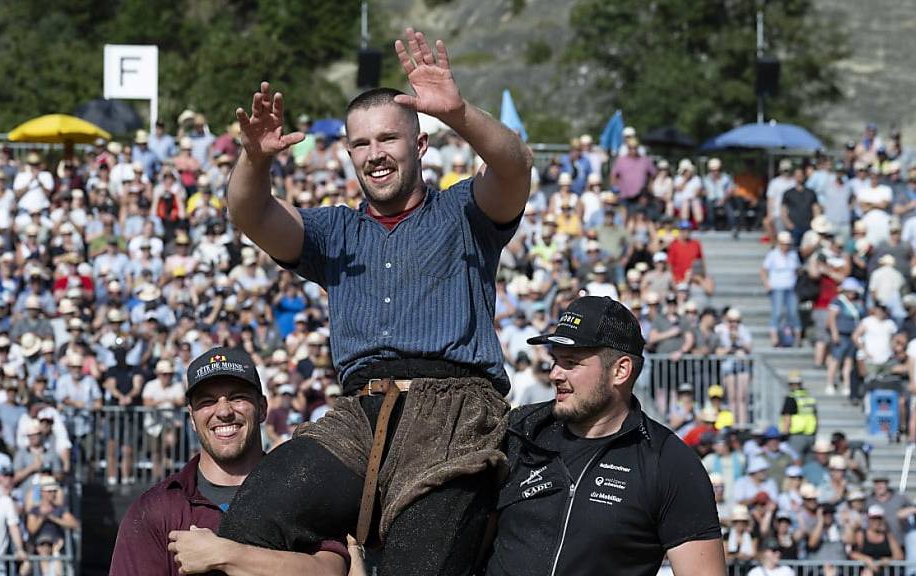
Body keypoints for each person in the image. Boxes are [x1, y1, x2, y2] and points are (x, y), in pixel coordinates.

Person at [216, 27, 532, 575]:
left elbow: (514, 166)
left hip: (453, 411)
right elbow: (251, 214)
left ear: (421, 144)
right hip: (360, 415)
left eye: (388, 138)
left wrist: (458, 112)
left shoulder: (464, 212)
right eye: (360, 144)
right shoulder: (335, 230)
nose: (374, 154)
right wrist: (255, 160)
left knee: (418, 563)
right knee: (251, 519)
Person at [483, 296, 724, 576]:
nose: (555, 374)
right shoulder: (519, 431)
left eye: (571, 362)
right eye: (555, 360)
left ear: (620, 371)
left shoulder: (668, 462)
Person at [112, 347, 348, 576]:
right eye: (207, 401)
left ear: (263, 408)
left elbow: (331, 570)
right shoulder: (155, 509)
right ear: (192, 417)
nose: (223, 411)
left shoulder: (302, 492)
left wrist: (225, 555)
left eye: (237, 397)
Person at [779, 370, 818, 458]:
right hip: (810, 435)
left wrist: (784, 435)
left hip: (796, 436)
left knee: (794, 460)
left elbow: (787, 418)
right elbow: (815, 417)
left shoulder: (791, 398)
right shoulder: (809, 397)